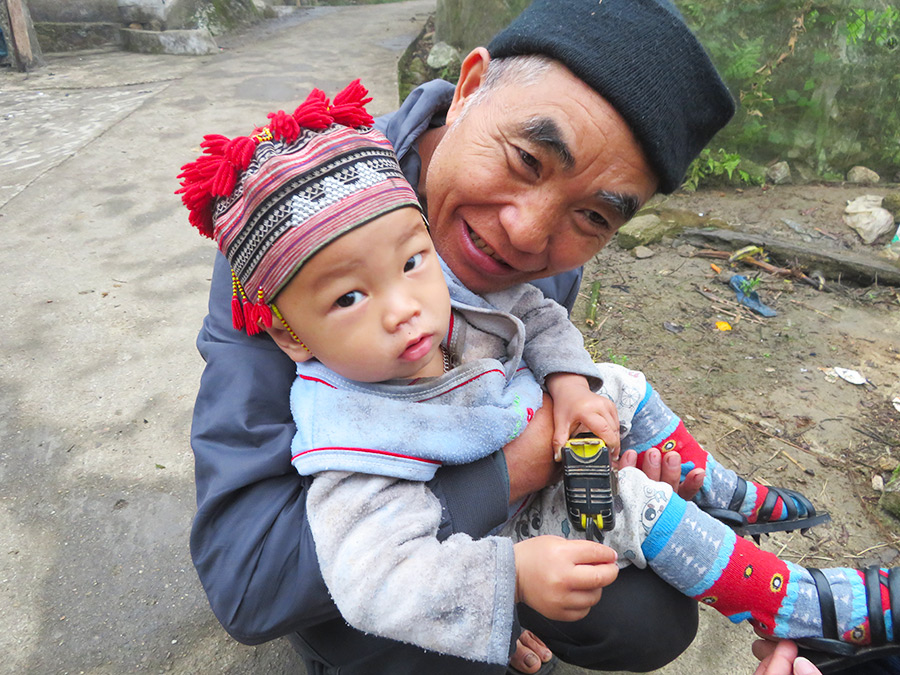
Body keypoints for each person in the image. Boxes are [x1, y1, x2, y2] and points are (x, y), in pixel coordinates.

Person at [184, 1, 830, 672]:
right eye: (527, 159)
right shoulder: (294, 228)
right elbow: (247, 582)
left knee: (648, 614)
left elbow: (537, 361)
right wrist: (511, 514)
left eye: (590, 215)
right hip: (366, 547)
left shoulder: (547, 258)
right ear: (467, 90)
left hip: (498, 507)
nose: (526, 233)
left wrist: (589, 457)